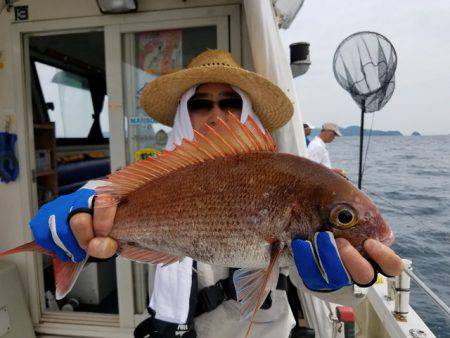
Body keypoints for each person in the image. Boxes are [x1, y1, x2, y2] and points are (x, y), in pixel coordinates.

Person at [29, 50, 403, 338]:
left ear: (246, 109)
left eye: (230, 102)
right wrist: (80, 210)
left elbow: (314, 279)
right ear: (182, 111)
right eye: (200, 103)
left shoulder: (286, 172)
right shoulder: (158, 174)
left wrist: (348, 285)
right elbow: (106, 196)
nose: (217, 114)